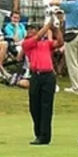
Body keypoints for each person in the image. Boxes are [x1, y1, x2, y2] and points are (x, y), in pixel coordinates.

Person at [22, 14, 63, 145]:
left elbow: (60, 43)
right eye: (28, 29)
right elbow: (38, 36)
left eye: (32, 29)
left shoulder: (45, 43)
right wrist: (48, 24)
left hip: (48, 76)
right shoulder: (27, 44)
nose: (30, 31)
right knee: (34, 107)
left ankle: (44, 136)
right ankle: (38, 133)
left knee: (46, 107)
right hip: (35, 76)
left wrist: (56, 29)